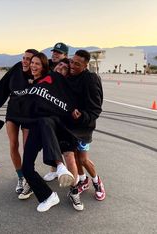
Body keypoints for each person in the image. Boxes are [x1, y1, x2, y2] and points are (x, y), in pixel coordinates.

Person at [18, 53, 75, 209]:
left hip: (52, 125)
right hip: (37, 127)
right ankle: (49, 196)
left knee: (45, 120)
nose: (33, 66)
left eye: (65, 68)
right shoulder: (38, 82)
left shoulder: (58, 82)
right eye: (32, 63)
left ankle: (60, 166)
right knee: (26, 168)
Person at [0, 49, 38, 194]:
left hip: (29, 115)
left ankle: (29, 176)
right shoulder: (16, 69)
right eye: (24, 57)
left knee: (27, 149)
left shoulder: (38, 73)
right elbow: (1, 88)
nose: (25, 61)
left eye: (28, 59)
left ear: (35, 62)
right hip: (13, 113)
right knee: (13, 144)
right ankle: (21, 177)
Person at [64, 50, 105, 204]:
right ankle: (83, 180)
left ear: (86, 65)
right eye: (71, 62)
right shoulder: (69, 75)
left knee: (82, 159)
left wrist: (82, 116)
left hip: (84, 126)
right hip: (69, 125)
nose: (72, 65)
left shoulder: (91, 79)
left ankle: (97, 182)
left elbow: (96, 108)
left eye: (77, 64)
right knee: (73, 157)